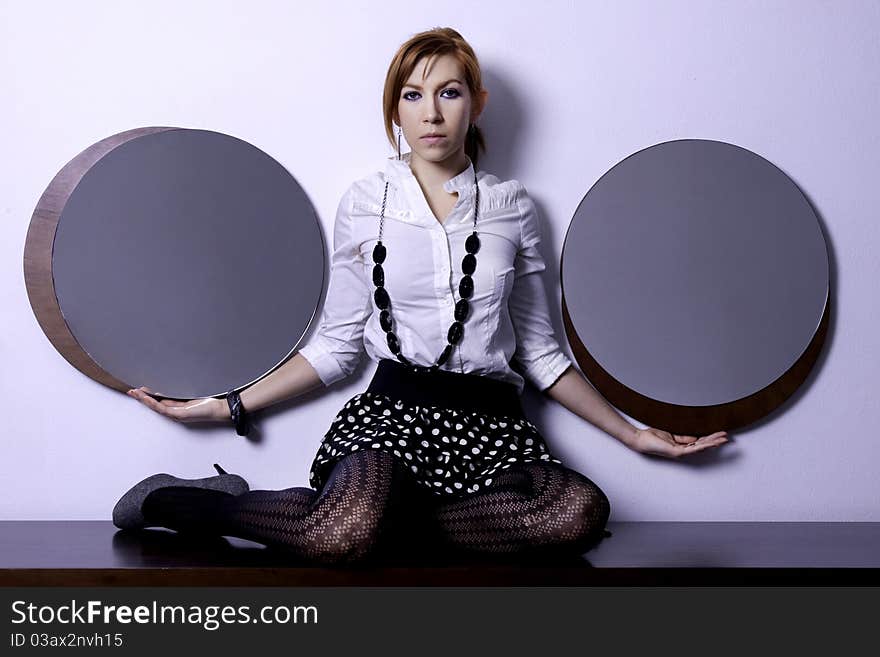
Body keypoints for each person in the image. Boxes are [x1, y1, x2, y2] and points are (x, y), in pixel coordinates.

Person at [115, 27, 729, 566]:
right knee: (339, 534)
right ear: (395, 112)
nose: (431, 113)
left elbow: (541, 355)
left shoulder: (513, 206)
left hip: (491, 430)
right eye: (412, 95)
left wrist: (634, 436)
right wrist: (228, 407)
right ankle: (191, 500)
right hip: (392, 420)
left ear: (477, 104)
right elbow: (336, 347)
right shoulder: (365, 202)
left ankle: (378, 530)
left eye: (449, 92)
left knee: (576, 513)